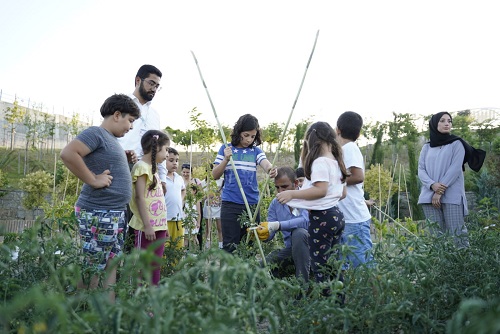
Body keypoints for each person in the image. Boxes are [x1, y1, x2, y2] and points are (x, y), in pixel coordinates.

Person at [60, 94, 141, 301]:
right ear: (116, 115)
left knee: (111, 261)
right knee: (94, 264)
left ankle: (108, 311)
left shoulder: (111, 140)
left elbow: (107, 164)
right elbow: (69, 154)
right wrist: (93, 180)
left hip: (114, 212)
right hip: (99, 211)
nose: (130, 127)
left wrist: (126, 159)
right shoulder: (96, 133)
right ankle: (83, 311)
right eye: (130, 120)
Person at [276, 121, 348, 295]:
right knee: (333, 264)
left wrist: (293, 194)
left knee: (320, 266)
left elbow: (320, 190)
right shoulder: (336, 161)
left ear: (311, 140)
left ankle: (327, 309)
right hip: (336, 215)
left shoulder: (320, 163)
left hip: (322, 219)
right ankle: (339, 302)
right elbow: (343, 193)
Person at [417, 112, 485, 248]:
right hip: (428, 196)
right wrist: (432, 185)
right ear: (435, 124)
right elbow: (421, 170)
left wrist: (439, 191)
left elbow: (454, 169)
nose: (447, 123)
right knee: (437, 237)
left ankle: (464, 268)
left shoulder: (457, 144)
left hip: (452, 196)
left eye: (449, 121)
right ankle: (441, 268)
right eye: (442, 121)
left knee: (457, 235)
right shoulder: (426, 147)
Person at [212, 114, 277, 253]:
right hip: (231, 204)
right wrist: (225, 160)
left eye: (253, 136)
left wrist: (271, 170)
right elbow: (214, 174)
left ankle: (246, 274)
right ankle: (229, 274)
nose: (249, 140)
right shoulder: (226, 149)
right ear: (239, 132)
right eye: (246, 135)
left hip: (252, 204)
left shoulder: (255, 151)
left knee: (250, 245)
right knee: (230, 246)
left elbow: (265, 164)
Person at [117, 65, 166, 250]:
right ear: (138, 80)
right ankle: (115, 269)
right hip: (123, 167)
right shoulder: (122, 104)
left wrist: (160, 177)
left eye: (157, 85)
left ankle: (132, 271)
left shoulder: (155, 115)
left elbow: (158, 147)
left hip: (147, 173)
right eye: (151, 83)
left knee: (140, 221)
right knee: (121, 219)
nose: (154, 88)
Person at [128, 130, 170, 286]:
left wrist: (163, 226)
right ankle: (138, 299)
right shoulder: (141, 167)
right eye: (166, 149)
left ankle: (152, 301)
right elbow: (139, 197)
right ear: (156, 147)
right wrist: (147, 225)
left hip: (158, 227)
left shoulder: (155, 169)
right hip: (146, 228)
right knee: (141, 265)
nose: (167, 154)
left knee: (155, 265)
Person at [256, 167, 310, 284]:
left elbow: (305, 221)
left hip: (310, 247)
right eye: (277, 187)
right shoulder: (275, 204)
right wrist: (263, 233)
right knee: (263, 265)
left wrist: (278, 225)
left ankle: (302, 288)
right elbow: (271, 232)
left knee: (299, 233)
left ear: (295, 183)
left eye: (284, 187)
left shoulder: (306, 197)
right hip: (290, 249)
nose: (280, 191)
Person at [336, 111, 375, 269]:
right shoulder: (345, 149)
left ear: (337, 129)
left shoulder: (350, 148)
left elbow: (358, 176)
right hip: (348, 217)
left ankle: (375, 294)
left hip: (354, 219)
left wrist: (335, 182)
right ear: (358, 133)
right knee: (347, 266)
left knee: (363, 267)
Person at [165, 148, 186, 251]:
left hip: (178, 219)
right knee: (165, 247)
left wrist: (181, 201)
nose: (175, 163)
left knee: (178, 247)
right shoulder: (161, 178)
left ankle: (176, 267)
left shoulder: (179, 178)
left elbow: (183, 190)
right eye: (171, 160)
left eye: (177, 160)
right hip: (165, 219)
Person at [181, 163, 203, 249]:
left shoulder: (196, 181)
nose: (186, 174)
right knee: (185, 236)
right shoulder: (180, 180)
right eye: (184, 172)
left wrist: (195, 198)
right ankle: (185, 252)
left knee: (195, 235)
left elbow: (201, 195)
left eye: (188, 172)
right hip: (184, 210)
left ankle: (197, 251)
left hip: (195, 208)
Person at [202, 164, 224, 249]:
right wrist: (207, 195)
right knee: (208, 229)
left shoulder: (222, 181)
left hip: (219, 207)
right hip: (208, 207)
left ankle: (221, 246)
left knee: (220, 228)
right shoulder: (204, 182)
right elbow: (202, 196)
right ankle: (208, 246)